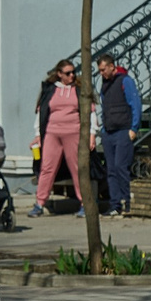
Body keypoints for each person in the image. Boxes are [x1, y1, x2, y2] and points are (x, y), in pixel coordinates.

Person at [31, 60, 85, 214]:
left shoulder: (78, 90)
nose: (72, 76)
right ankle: (39, 203)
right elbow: (41, 112)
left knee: (77, 168)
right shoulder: (51, 90)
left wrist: (92, 134)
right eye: (68, 73)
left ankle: (84, 203)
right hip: (52, 133)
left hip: (73, 132)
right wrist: (38, 135)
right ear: (60, 74)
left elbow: (91, 111)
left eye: (73, 72)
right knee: (47, 168)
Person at [94, 53, 141, 216]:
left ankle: (127, 201)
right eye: (99, 71)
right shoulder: (105, 85)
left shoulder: (125, 81)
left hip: (123, 131)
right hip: (109, 132)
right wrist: (104, 129)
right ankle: (115, 204)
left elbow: (135, 104)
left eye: (103, 69)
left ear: (112, 66)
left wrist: (134, 129)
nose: (101, 73)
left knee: (121, 167)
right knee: (111, 169)